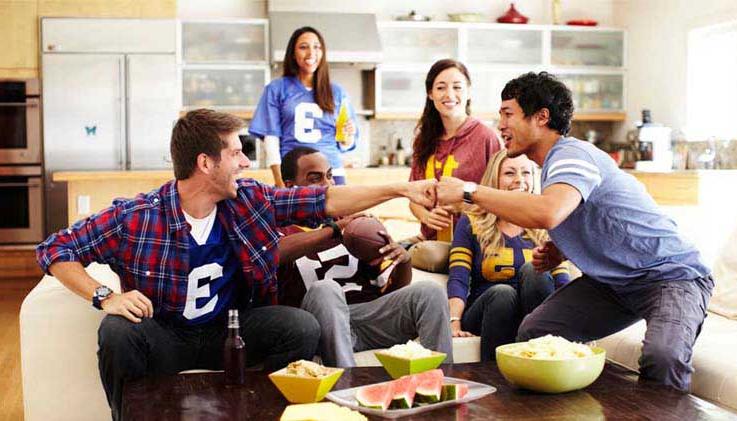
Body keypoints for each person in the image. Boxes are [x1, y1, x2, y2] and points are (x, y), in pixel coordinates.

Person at [36, 109, 436, 420]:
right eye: (236, 153)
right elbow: (56, 249)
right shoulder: (138, 216)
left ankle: (264, 415)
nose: (245, 163)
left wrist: (399, 187)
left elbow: (324, 200)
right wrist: (104, 296)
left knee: (299, 326)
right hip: (167, 335)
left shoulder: (248, 200)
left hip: (231, 332)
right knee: (118, 331)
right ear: (205, 163)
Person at [436, 72, 713, 391]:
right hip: (613, 284)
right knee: (537, 333)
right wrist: (562, 248)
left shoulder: (571, 155)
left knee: (663, 356)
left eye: (508, 113)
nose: (500, 124)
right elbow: (596, 215)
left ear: (541, 117)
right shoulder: (556, 166)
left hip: (671, 277)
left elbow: (548, 211)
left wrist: (469, 191)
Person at [275, 146, 453, 367]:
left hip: (369, 317)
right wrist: (332, 231)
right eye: (315, 179)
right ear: (290, 187)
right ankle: (346, 385)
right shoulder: (278, 229)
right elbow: (273, 254)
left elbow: (392, 289)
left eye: (330, 176)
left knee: (430, 291)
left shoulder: (355, 222)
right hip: (318, 324)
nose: (327, 185)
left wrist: (403, 260)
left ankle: (442, 383)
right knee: (326, 289)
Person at [447, 150, 570, 361]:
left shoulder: (547, 223)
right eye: (510, 173)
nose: (519, 180)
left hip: (533, 311)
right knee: (503, 293)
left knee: (534, 269)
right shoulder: (471, 222)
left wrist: (571, 322)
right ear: (495, 179)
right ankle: (495, 376)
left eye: (526, 173)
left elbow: (561, 281)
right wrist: (454, 321)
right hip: (488, 310)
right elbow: (458, 277)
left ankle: (543, 358)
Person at [250, 26, 358, 187]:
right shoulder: (277, 89)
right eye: (303, 47)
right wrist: (279, 179)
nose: (311, 53)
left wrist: (348, 135)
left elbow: (345, 144)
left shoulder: (337, 92)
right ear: (293, 53)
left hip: (332, 173)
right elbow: (271, 137)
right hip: (295, 175)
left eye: (317, 47)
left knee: (335, 213)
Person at [408, 59, 501, 244]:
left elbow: (502, 200)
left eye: (457, 87)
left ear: (468, 92)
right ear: (430, 94)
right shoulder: (424, 139)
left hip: (476, 243)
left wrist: (462, 207)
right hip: (431, 242)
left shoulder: (486, 138)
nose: (449, 94)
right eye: (441, 88)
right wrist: (427, 217)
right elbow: (413, 199)